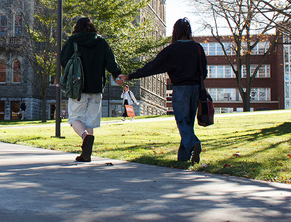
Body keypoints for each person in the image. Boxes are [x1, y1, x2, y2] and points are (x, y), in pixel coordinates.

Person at [117, 18, 207, 164]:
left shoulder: (172, 50)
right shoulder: (197, 48)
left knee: (181, 121)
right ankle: (184, 158)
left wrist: (129, 76)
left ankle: (193, 143)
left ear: (175, 32)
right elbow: (205, 72)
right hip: (196, 89)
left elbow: (152, 67)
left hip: (180, 88)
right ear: (189, 31)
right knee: (188, 123)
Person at [60, 17, 122, 162]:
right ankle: (86, 154)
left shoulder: (73, 41)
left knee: (75, 118)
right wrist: (117, 74)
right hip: (96, 88)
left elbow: (63, 60)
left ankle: (85, 137)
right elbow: (110, 61)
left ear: (77, 27)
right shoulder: (101, 41)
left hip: (78, 87)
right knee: (90, 122)